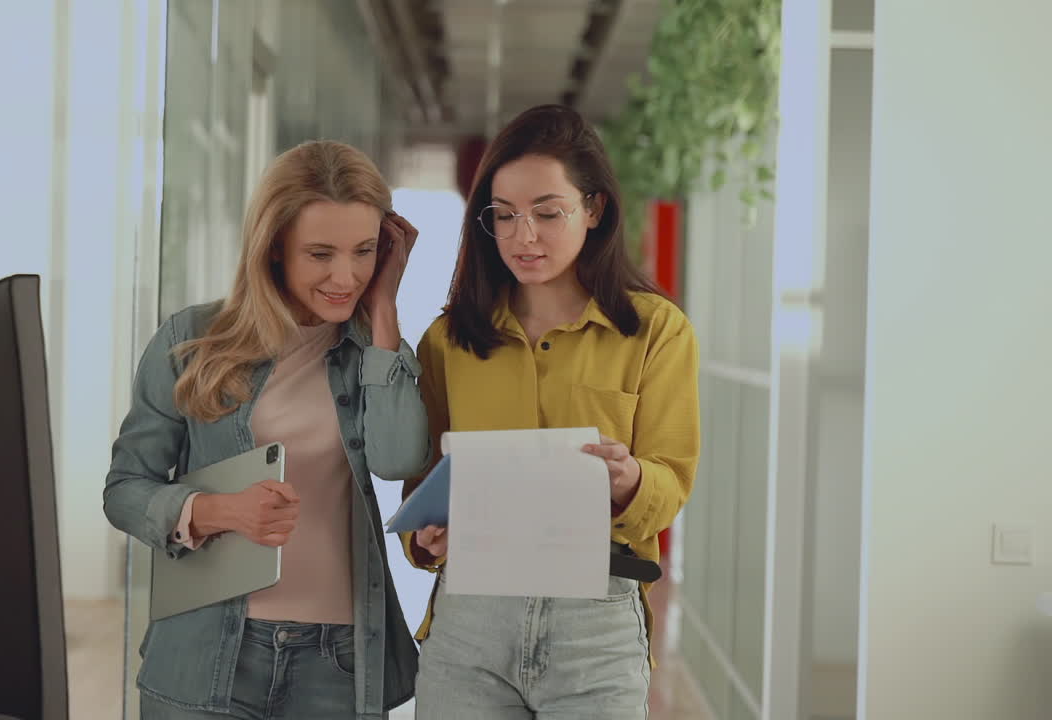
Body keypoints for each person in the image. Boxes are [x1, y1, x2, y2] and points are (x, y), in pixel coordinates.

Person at [104, 140, 430, 720]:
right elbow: (125, 489)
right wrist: (218, 511)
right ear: (275, 246)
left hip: (338, 661)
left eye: (363, 251)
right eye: (320, 254)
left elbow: (398, 459)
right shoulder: (194, 340)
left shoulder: (375, 355)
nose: (345, 276)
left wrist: (384, 309)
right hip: (208, 653)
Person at [403, 104, 700, 719]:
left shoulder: (656, 331)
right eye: (504, 215)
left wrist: (630, 479)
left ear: (594, 209)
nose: (523, 236)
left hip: (595, 621)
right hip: (470, 622)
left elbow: (671, 480)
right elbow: (425, 482)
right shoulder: (448, 340)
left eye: (547, 212)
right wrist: (425, 537)